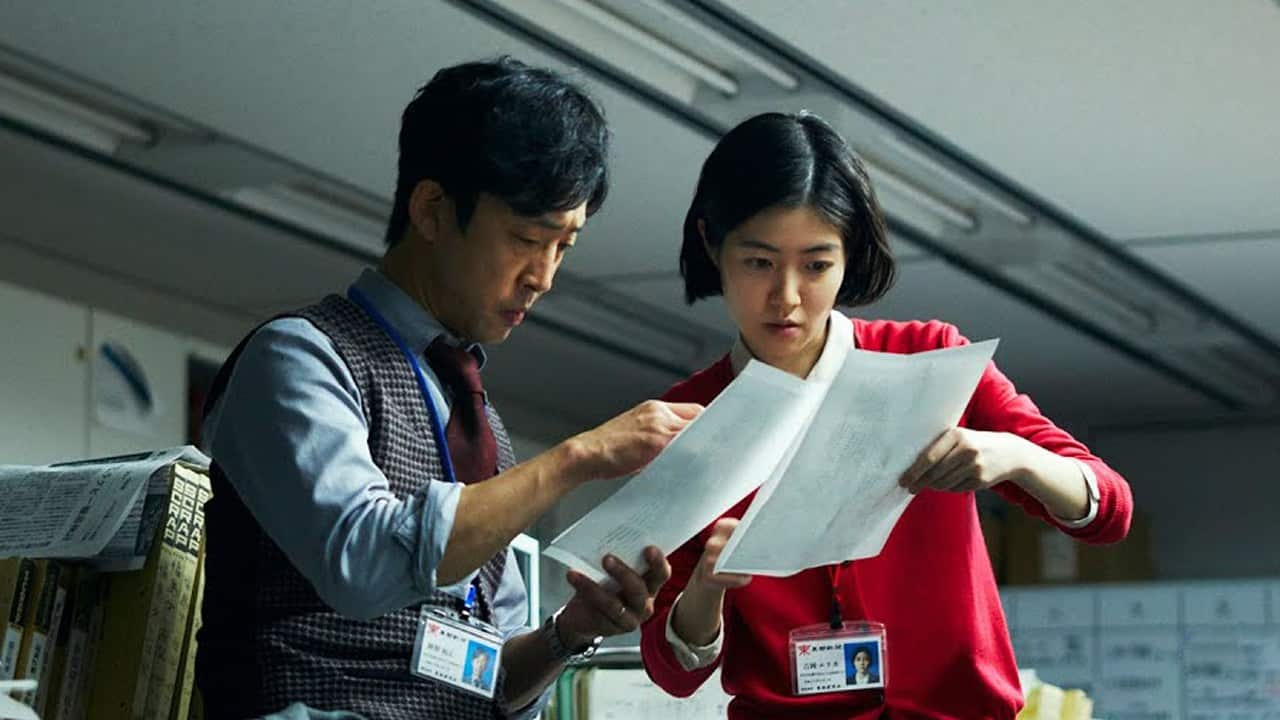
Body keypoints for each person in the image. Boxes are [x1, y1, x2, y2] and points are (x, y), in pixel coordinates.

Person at [195, 57, 701, 720]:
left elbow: (490, 680)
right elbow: (363, 564)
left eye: (564, 246)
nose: (543, 276)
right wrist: (578, 457)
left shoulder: (479, 423)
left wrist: (569, 632)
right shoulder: (300, 357)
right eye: (527, 238)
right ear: (433, 210)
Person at [638, 112, 1133, 719]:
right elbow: (672, 671)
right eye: (759, 263)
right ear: (712, 243)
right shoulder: (685, 420)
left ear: (850, 255)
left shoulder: (932, 360)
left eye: (816, 265)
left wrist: (1014, 456)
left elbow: (1109, 511)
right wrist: (707, 587)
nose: (786, 296)